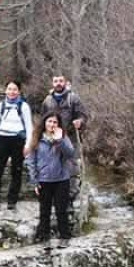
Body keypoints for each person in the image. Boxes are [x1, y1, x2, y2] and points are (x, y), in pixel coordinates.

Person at [26, 114, 76, 246]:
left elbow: (71, 154)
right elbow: (31, 161)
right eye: (49, 121)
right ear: (45, 123)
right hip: (44, 180)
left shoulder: (63, 137)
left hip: (61, 179)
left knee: (61, 210)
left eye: (55, 122)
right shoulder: (37, 137)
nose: (52, 124)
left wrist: (59, 140)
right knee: (45, 210)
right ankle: (44, 238)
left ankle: (64, 236)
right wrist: (34, 181)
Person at [40, 75, 89, 203]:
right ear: (52, 83)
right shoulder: (47, 100)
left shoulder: (73, 98)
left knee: (72, 166)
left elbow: (83, 115)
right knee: (53, 164)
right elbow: (42, 120)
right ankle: (54, 193)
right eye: (56, 81)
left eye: (61, 81)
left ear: (66, 82)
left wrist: (80, 121)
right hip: (52, 139)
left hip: (70, 137)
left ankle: (71, 195)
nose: (58, 83)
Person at [0, 81, 32, 210]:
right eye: (9, 89)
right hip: (2, 140)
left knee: (16, 171)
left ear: (19, 91)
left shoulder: (24, 106)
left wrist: (27, 145)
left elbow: (29, 127)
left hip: (18, 140)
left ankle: (12, 201)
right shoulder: (0, 106)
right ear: (5, 90)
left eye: (15, 89)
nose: (12, 92)